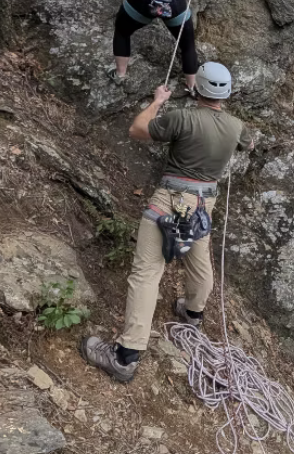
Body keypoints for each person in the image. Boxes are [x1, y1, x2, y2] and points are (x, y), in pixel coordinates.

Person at [80, 62, 254, 383]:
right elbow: (248, 142)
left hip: (171, 199)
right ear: (226, 94)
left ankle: (125, 356)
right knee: (199, 260)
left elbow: (136, 130)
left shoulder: (182, 117)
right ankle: (193, 313)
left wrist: (158, 101)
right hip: (204, 203)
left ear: (196, 88)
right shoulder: (236, 126)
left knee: (147, 272)